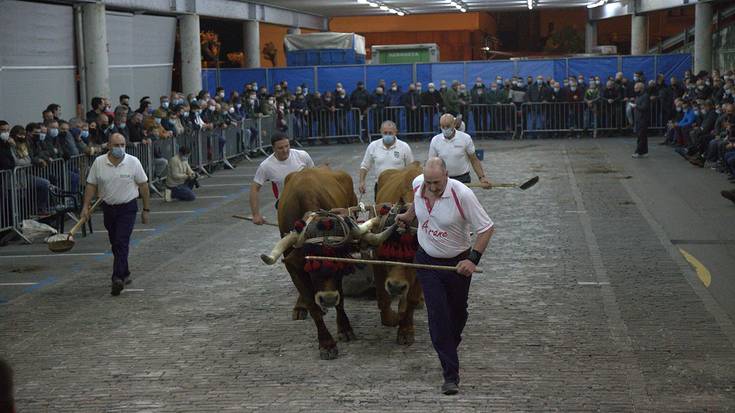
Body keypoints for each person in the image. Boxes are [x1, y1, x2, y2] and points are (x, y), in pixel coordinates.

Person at [396, 157, 495, 395]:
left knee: (458, 312)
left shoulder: (462, 194)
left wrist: (472, 260)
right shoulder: (419, 183)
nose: (431, 187)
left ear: (447, 175)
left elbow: (486, 228)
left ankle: (449, 344)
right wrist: (409, 216)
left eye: (436, 183)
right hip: (427, 262)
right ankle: (450, 374)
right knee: (438, 314)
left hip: (456, 263)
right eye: (428, 182)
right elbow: (416, 202)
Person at [81, 133, 150, 296]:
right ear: (109, 146)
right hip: (108, 208)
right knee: (115, 243)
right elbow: (91, 185)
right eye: (117, 145)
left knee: (121, 241)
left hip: (128, 208)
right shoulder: (99, 163)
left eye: (123, 145)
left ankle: (117, 277)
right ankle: (125, 272)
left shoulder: (133, 162)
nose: (120, 148)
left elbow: (144, 186)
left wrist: (146, 209)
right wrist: (85, 206)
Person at [249, 133, 314, 225]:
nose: (285, 150)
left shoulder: (302, 156)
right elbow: (255, 188)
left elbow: (315, 176)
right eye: (280, 148)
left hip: (309, 201)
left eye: (287, 146)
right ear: (273, 148)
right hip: (287, 204)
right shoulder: (266, 166)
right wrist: (255, 214)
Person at [428, 114, 491, 188]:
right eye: (442, 126)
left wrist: (482, 177)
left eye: (448, 126)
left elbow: (474, 160)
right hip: (443, 180)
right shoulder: (435, 140)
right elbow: (431, 163)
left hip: (463, 179)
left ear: (454, 124)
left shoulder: (466, 138)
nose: (445, 129)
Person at [358, 120, 414, 200]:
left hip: (398, 186)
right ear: (381, 132)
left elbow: (410, 168)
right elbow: (364, 166)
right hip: (380, 186)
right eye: (385, 133)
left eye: (390, 133)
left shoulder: (404, 147)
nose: (388, 135)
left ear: (395, 132)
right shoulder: (373, 146)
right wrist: (361, 182)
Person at [630, 82, 650, 158]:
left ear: (641, 88)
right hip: (638, 119)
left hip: (643, 119)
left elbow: (644, 107)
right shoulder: (638, 96)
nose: (635, 90)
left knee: (641, 136)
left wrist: (635, 106)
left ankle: (638, 152)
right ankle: (644, 151)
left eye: (636, 88)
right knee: (642, 136)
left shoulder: (645, 96)